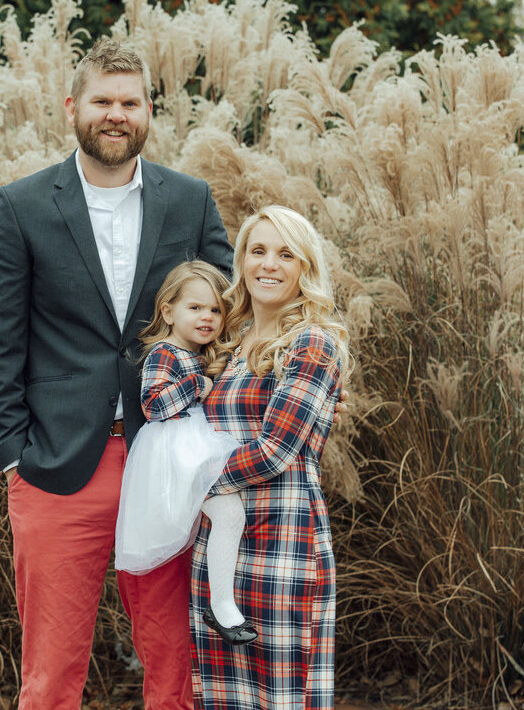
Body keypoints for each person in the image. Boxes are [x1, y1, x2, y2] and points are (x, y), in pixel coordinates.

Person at [0, 38, 234, 710]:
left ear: (148, 110)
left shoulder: (191, 201)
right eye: (102, 102)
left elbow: (232, 319)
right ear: (72, 107)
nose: (116, 115)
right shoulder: (23, 206)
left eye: (130, 103)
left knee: (175, 663)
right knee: (52, 672)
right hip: (58, 466)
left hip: (167, 458)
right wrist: (13, 455)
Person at [192, 205, 350, 710]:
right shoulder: (230, 343)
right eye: (257, 251)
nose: (268, 264)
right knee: (222, 693)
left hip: (283, 540)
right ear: (241, 261)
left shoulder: (312, 343)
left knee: (282, 693)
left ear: (306, 266)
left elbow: (275, 451)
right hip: (220, 545)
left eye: (286, 254)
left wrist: (191, 481)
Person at [113, 261, 257, 646]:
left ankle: (222, 604)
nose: (207, 317)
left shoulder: (204, 352)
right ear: (168, 312)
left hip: (193, 446)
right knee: (229, 514)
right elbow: (153, 405)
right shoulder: (166, 352)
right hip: (176, 453)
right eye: (195, 307)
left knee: (229, 515)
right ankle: (221, 606)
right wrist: (197, 384)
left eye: (215, 310)